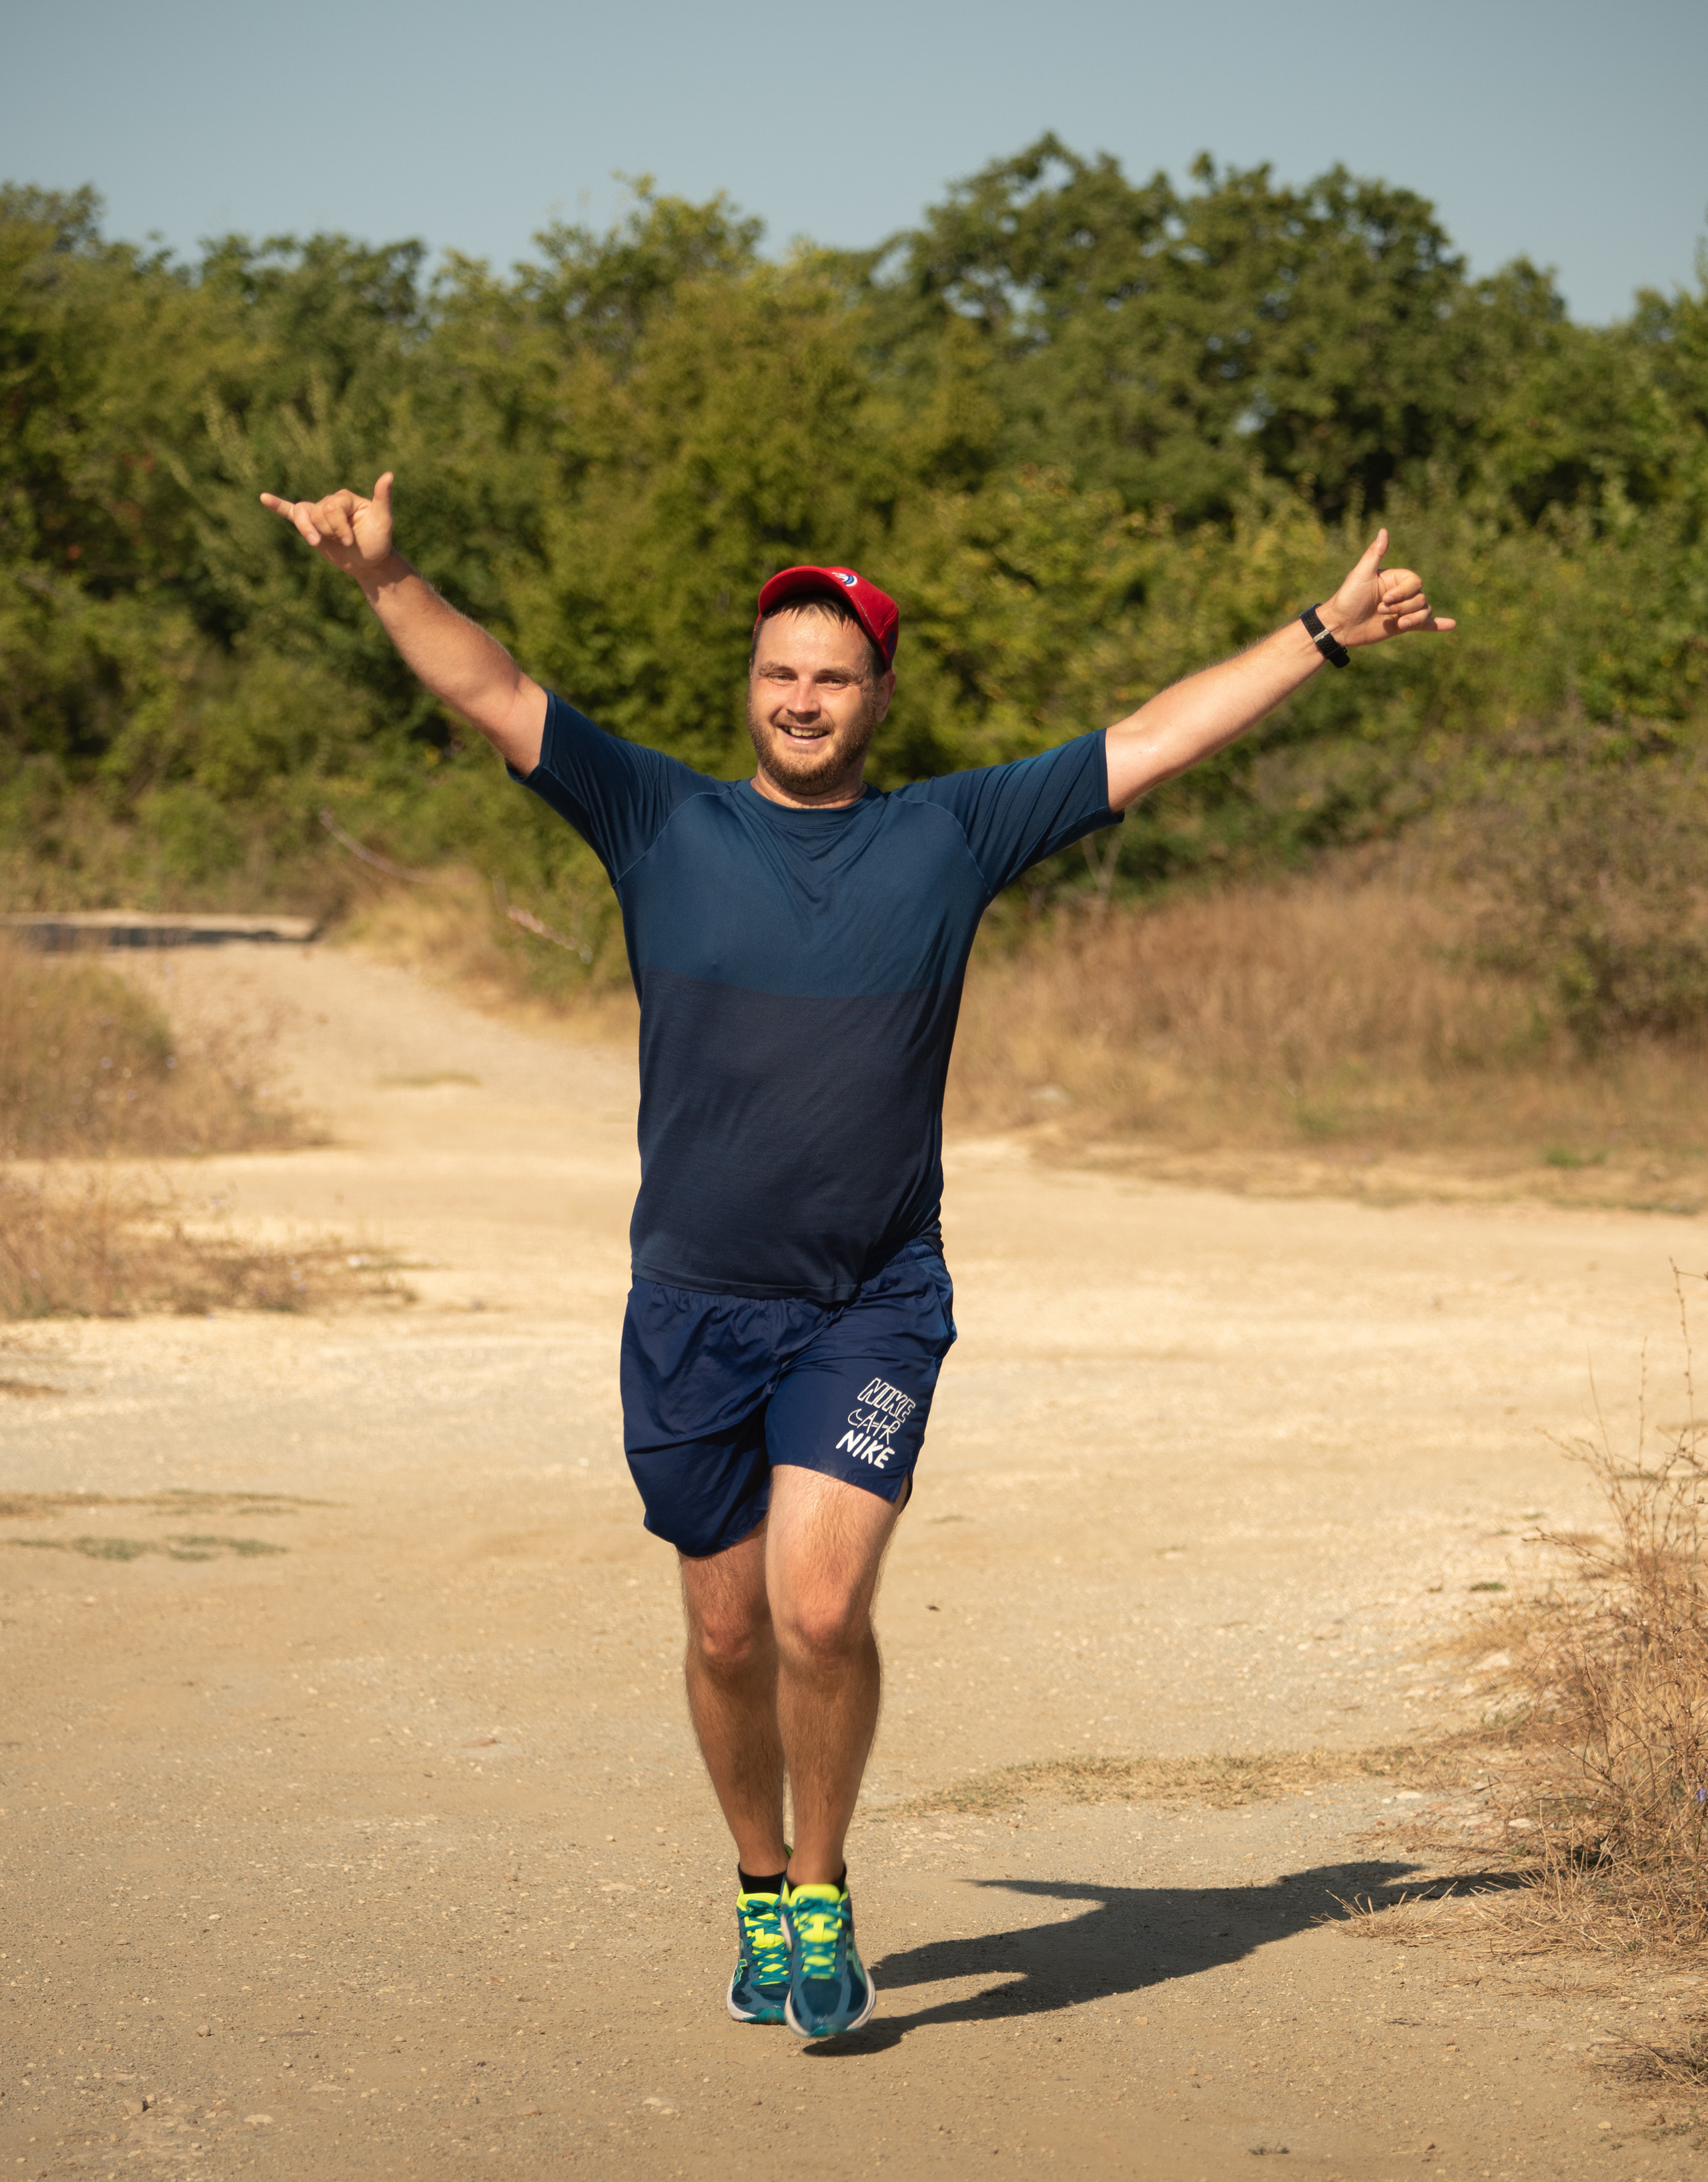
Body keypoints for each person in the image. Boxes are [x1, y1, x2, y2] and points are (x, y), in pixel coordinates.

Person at [260, 470, 1454, 2037]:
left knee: (820, 1614)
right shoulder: (656, 817)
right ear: (749, 690)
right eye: (779, 672)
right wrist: (383, 571)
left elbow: (1153, 737)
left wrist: (1322, 631)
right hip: (691, 1300)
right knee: (722, 1625)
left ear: (876, 694)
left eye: (832, 675)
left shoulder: (948, 834)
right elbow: (489, 682)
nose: (803, 697)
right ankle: (757, 1881)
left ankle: (821, 1883)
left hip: (868, 1301)